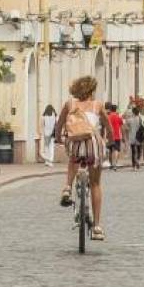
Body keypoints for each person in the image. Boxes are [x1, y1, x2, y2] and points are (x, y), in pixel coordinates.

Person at [58, 76, 107, 241]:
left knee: (73, 156)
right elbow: (108, 126)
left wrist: (58, 138)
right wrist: (113, 140)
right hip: (93, 145)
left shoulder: (69, 104)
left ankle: (67, 187)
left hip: (75, 143)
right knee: (95, 183)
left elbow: (59, 124)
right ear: (92, 91)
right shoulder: (98, 105)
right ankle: (97, 227)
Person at [124, 104, 144, 171]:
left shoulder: (130, 120)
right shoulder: (141, 119)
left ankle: (133, 166)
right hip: (139, 137)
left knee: (133, 151)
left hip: (132, 137)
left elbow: (126, 127)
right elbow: (143, 126)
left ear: (133, 112)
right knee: (139, 150)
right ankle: (138, 161)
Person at [105, 102, 124, 171]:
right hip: (117, 136)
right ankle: (114, 164)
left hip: (109, 136)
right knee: (116, 150)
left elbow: (106, 127)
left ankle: (111, 165)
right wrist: (124, 136)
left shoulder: (108, 117)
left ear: (110, 109)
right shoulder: (118, 117)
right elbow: (122, 128)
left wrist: (106, 135)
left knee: (110, 150)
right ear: (116, 110)